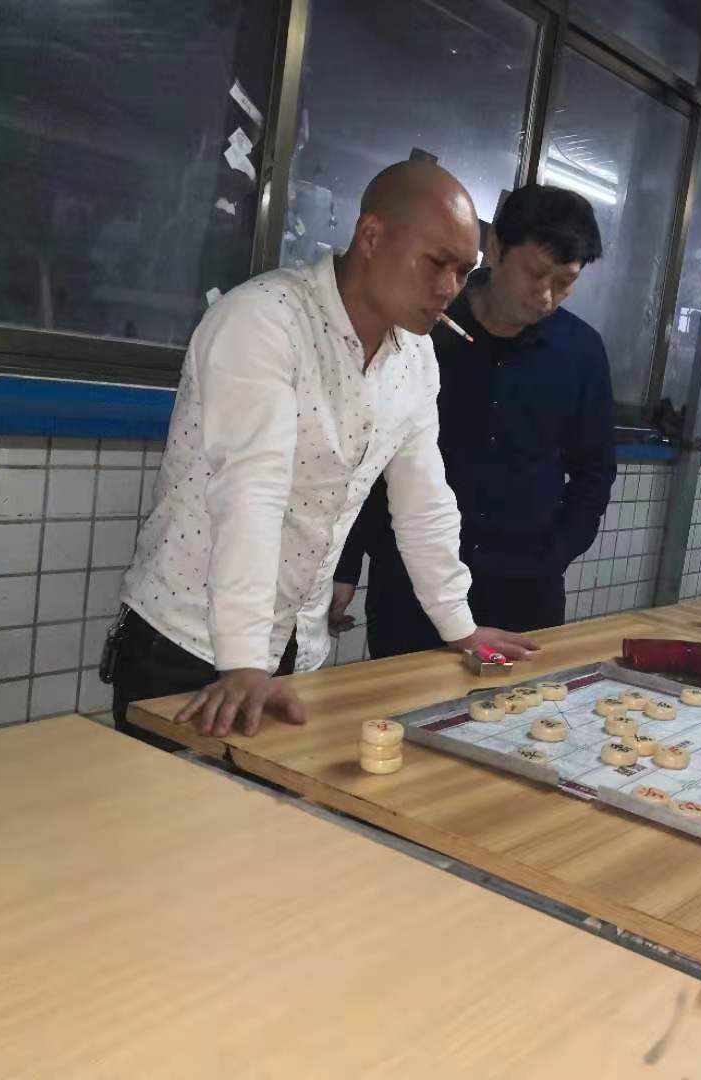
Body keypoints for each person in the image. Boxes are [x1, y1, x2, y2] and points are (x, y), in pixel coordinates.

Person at [111, 161, 537, 742]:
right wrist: (243, 662)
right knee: (159, 803)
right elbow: (252, 492)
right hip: (190, 642)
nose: (448, 289)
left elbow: (424, 502)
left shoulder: (415, 358)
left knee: (270, 804)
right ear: (371, 235)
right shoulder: (265, 319)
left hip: (295, 649)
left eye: (464, 272)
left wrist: (458, 626)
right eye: (436, 262)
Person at [330, 184, 614, 656]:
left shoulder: (581, 352)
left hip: (524, 591)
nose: (546, 296)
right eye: (535, 273)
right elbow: (370, 451)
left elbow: (595, 471)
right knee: (401, 698)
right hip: (411, 586)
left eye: (565, 282)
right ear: (496, 248)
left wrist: (554, 553)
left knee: (523, 704)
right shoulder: (424, 330)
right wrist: (346, 563)